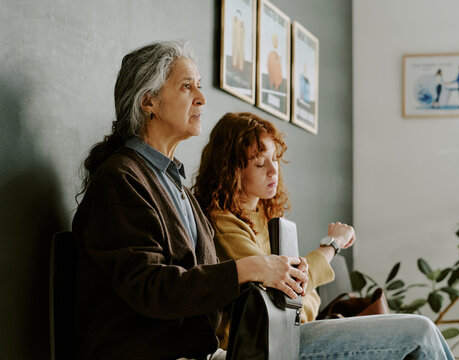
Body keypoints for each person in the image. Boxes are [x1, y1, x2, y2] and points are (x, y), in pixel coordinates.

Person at [72, 41, 308, 360]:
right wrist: (249, 267)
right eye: (187, 86)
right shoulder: (121, 178)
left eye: (198, 85)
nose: (201, 98)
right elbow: (152, 289)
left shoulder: (174, 184)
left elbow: (202, 287)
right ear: (148, 101)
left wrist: (276, 273)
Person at [193, 112, 455, 360]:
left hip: (287, 332)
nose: (274, 170)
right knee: (419, 331)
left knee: (421, 332)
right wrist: (331, 246)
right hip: (261, 344)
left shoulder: (262, 214)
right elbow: (287, 294)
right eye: (260, 163)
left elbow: (296, 295)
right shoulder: (223, 224)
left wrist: (304, 295)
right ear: (232, 171)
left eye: (275, 158)